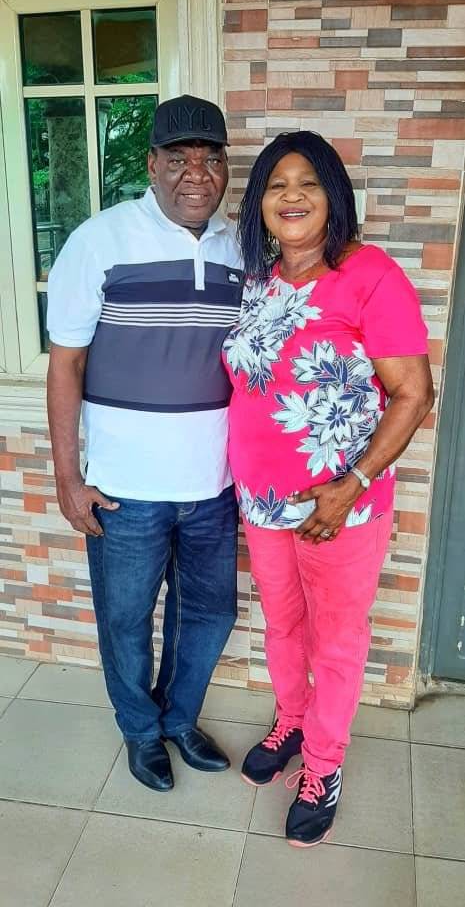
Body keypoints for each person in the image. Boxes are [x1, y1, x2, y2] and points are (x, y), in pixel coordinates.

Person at [222, 131, 434, 847]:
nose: (291, 196)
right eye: (276, 185)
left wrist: (352, 482)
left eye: (307, 182)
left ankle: (323, 764)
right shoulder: (259, 282)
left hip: (340, 505)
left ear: (333, 197)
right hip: (262, 501)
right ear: (259, 204)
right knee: (283, 624)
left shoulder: (370, 274)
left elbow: (414, 393)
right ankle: (291, 719)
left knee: (336, 641)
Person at [47, 95, 243, 793]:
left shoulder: (240, 247)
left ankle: (178, 720)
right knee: (126, 620)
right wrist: (68, 479)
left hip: (214, 484)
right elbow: (65, 365)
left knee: (210, 614)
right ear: (152, 164)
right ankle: (140, 731)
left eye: (211, 159)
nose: (197, 174)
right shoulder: (98, 241)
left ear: (225, 169)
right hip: (124, 489)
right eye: (180, 159)